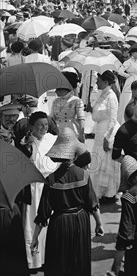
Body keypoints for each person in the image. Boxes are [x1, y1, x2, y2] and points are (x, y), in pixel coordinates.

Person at [30, 129, 104, 276]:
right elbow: (92, 204)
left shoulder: (51, 180)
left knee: (59, 261)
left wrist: (35, 237)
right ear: (75, 154)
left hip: (59, 223)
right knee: (79, 260)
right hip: (80, 221)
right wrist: (99, 224)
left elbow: (43, 213)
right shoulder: (83, 175)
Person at [20, 112, 59, 272]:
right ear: (31, 127)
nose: (43, 128)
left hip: (50, 187)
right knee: (32, 224)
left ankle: (46, 258)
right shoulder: (26, 143)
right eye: (39, 125)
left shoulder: (53, 139)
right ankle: (33, 261)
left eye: (45, 124)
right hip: (34, 188)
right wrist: (28, 147)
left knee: (48, 224)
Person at [89, 70, 121, 201]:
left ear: (106, 82)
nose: (97, 82)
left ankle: (109, 193)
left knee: (107, 163)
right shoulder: (102, 94)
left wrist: (107, 138)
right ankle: (98, 191)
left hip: (108, 131)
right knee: (98, 161)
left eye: (99, 81)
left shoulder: (112, 96)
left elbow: (113, 119)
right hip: (99, 130)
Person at [49, 70, 86, 143]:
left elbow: (81, 119)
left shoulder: (76, 101)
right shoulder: (55, 101)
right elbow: (51, 118)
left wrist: (82, 134)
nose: (56, 91)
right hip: (58, 132)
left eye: (59, 89)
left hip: (72, 132)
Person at [117, 51, 137, 124]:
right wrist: (128, 76)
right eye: (136, 52)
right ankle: (124, 120)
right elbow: (120, 71)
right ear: (132, 53)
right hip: (131, 82)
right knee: (128, 99)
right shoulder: (128, 62)